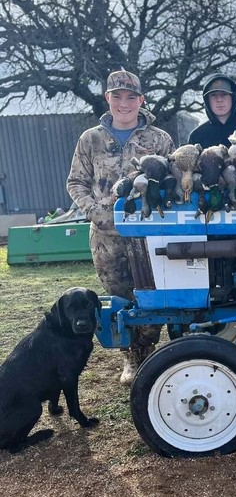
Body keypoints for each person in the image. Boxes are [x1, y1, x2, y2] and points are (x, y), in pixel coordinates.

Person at [67, 69, 175, 385]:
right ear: (108, 99)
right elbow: (76, 181)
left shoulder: (159, 139)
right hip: (106, 237)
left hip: (146, 235)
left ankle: (149, 355)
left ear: (141, 101)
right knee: (119, 298)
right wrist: (93, 211)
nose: (124, 104)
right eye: (117, 97)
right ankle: (130, 359)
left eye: (131, 98)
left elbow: (170, 183)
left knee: (150, 295)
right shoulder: (91, 139)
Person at [188, 73, 236, 358]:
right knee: (214, 271)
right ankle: (217, 331)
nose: (219, 99)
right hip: (212, 214)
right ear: (208, 101)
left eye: (225, 95)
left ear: (233, 100)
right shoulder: (197, 136)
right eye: (214, 96)